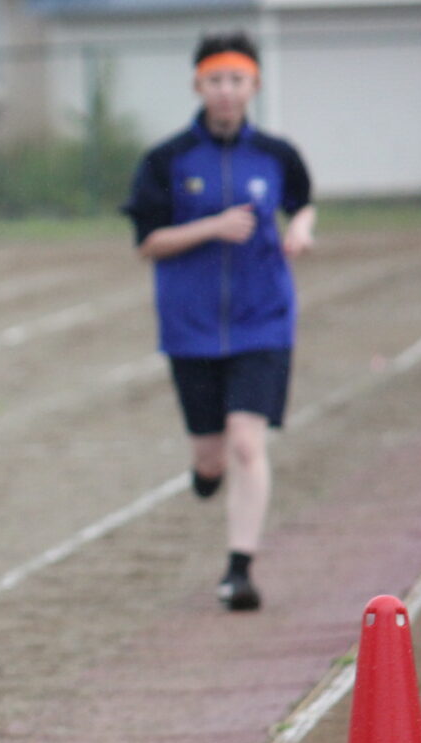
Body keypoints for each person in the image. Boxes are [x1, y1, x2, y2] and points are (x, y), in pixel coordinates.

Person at [124, 32, 316, 612]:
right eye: (216, 80)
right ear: (198, 86)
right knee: (211, 456)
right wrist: (211, 227)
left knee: (246, 445)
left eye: (237, 80)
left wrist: (302, 228)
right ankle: (203, 473)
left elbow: (302, 199)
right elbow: (147, 242)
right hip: (192, 329)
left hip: (264, 323)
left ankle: (240, 569)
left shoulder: (277, 156)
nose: (227, 92)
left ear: (253, 85)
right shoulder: (167, 161)